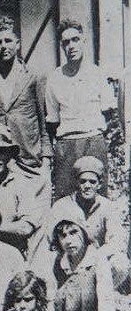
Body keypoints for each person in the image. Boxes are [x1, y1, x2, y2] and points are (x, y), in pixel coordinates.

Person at [30, 156, 129, 292]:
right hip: (67, 263)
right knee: (44, 263)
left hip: (95, 264)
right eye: (83, 181)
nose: (87, 186)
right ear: (77, 183)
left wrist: (93, 258)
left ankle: (100, 296)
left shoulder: (108, 207)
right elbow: (48, 241)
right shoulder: (61, 206)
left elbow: (117, 242)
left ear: (99, 185)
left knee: (120, 263)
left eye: (92, 182)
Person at [46, 19, 118, 199]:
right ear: (62, 46)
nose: (71, 46)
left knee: (97, 196)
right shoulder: (55, 78)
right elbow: (53, 120)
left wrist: (93, 135)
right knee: (65, 197)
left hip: (93, 141)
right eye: (66, 42)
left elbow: (108, 112)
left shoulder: (98, 74)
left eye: (75, 40)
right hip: (67, 144)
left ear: (84, 41)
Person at [0, 16, 52, 200]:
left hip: (29, 158)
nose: (3, 46)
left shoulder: (34, 76)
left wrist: (46, 158)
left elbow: (42, 119)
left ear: (18, 44)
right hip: (1, 160)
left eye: (8, 41)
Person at [51, 219, 117, 311]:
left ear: (84, 233)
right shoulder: (58, 263)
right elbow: (49, 302)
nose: (68, 240)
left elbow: (106, 305)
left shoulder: (97, 261)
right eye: (63, 235)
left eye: (73, 233)